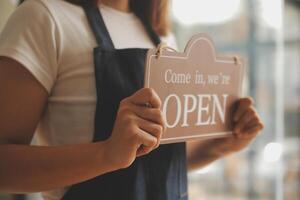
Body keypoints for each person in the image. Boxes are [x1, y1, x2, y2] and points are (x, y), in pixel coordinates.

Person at [0, 0, 264, 199]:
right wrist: (106, 154)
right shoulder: (43, 17)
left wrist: (223, 145)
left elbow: (156, 163)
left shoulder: (162, 37)